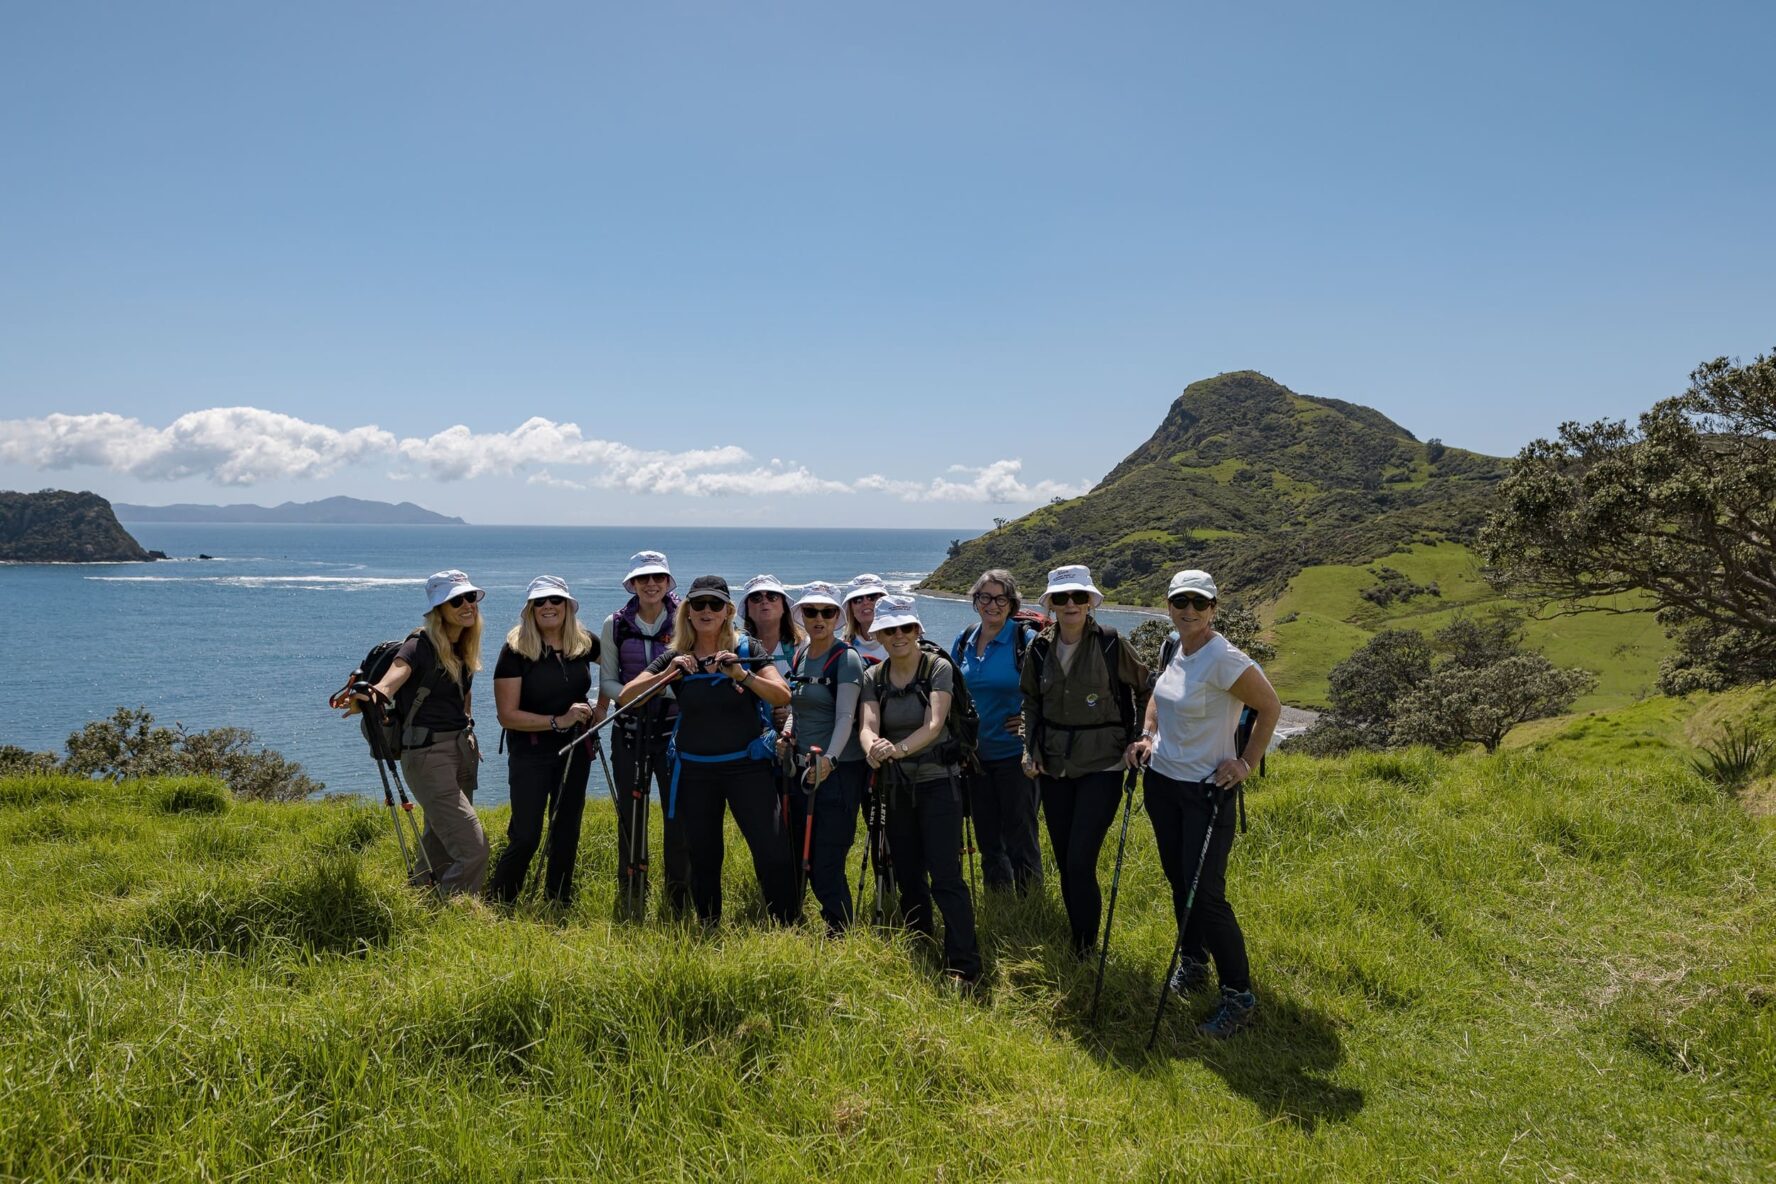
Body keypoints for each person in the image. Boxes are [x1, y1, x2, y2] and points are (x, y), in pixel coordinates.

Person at [1125, 569, 1280, 1038]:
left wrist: (1246, 763)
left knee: (1206, 895)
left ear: (1213, 608)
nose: (1188, 610)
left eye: (1198, 603)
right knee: (1178, 879)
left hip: (1206, 792)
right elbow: (1156, 695)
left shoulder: (1224, 658)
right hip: (1163, 784)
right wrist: (1148, 735)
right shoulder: (1173, 647)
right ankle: (1193, 963)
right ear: (1169, 606)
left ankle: (1239, 996)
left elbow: (1270, 706)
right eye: (1179, 602)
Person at [618, 575, 798, 928]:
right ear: (687, 611)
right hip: (695, 773)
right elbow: (627, 697)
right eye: (698, 604)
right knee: (704, 856)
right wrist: (667, 672)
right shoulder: (676, 656)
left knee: (772, 851)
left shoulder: (748, 650)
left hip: (748, 768)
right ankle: (708, 924)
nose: (706, 611)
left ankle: (786, 924)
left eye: (715, 604)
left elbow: (782, 696)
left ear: (728, 611)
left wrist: (742, 675)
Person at [1020, 565, 1150, 959]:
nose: (1071, 604)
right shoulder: (1039, 648)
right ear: (1052, 604)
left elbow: (1147, 689)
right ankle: (1079, 937)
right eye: (1062, 598)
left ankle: (1085, 948)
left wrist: (1139, 738)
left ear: (1091, 601)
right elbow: (1030, 702)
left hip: (1103, 765)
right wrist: (1029, 749)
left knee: (1079, 860)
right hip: (1055, 766)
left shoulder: (1111, 643)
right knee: (1064, 860)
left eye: (1079, 597)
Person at [857, 595, 981, 983]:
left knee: (945, 874)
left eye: (906, 628)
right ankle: (919, 938)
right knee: (908, 871)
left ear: (917, 630)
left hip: (938, 784)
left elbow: (934, 724)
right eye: (889, 630)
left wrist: (895, 749)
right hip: (895, 787)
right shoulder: (873, 677)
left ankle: (963, 963)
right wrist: (872, 749)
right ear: (877, 634)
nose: (898, 636)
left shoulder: (937, 668)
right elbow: (867, 724)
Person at [360, 569, 490, 897]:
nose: (466, 605)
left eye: (470, 597)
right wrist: (376, 693)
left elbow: (462, 693)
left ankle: (420, 900)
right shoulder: (419, 646)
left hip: (460, 751)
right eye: (455, 600)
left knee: (440, 840)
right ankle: (456, 912)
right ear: (438, 609)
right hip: (428, 757)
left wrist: (469, 727)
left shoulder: (463, 645)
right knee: (473, 848)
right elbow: (395, 676)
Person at [487, 576, 600, 906]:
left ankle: (558, 901)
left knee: (567, 829)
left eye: (555, 600)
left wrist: (601, 709)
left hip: (576, 750)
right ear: (530, 610)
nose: (548, 606)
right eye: (540, 602)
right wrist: (558, 721)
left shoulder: (584, 642)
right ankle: (500, 900)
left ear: (567, 606)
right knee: (526, 834)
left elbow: (615, 668)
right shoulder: (515, 651)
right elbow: (506, 716)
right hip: (530, 753)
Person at [599, 551, 691, 919]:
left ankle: (678, 894)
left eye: (658, 578)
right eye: (643, 579)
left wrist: (646, 690)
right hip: (629, 733)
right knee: (630, 815)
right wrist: (639, 692)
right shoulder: (615, 624)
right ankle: (632, 890)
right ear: (632, 584)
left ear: (669, 582)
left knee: (677, 815)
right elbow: (607, 680)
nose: (651, 584)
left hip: (675, 735)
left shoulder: (686, 619)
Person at [780, 581, 867, 933]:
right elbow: (796, 707)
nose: (819, 618)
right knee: (803, 854)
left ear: (838, 617)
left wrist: (829, 760)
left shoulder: (846, 658)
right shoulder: (801, 653)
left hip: (839, 772)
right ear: (801, 615)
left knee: (828, 858)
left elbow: (846, 715)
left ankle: (840, 930)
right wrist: (788, 731)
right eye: (811, 612)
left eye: (827, 612)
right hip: (803, 771)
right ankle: (812, 921)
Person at [951, 568, 1043, 895]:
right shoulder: (963, 640)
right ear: (975, 601)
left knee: (1021, 835)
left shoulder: (1025, 641)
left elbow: (1049, 691)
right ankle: (999, 900)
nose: (993, 605)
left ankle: (1031, 902)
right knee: (988, 836)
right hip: (976, 757)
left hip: (1013, 756)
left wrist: (1026, 717)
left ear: (1012, 603)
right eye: (985, 597)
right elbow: (952, 694)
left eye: (1001, 598)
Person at [842, 573, 890, 664]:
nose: (865, 602)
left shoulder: (901, 641)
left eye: (872, 597)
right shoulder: (842, 647)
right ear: (851, 608)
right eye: (858, 599)